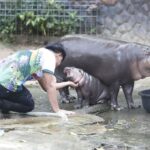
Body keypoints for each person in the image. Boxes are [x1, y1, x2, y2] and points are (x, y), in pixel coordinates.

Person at [0, 43, 77, 118]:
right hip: (5, 83)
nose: (59, 64)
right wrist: (57, 110)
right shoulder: (50, 57)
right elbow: (50, 86)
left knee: (18, 95)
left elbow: (46, 87)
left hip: (3, 82)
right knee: (28, 105)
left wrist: (68, 83)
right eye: (61, 61)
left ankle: (4, 108)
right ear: (59, 55)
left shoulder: (38, 55)